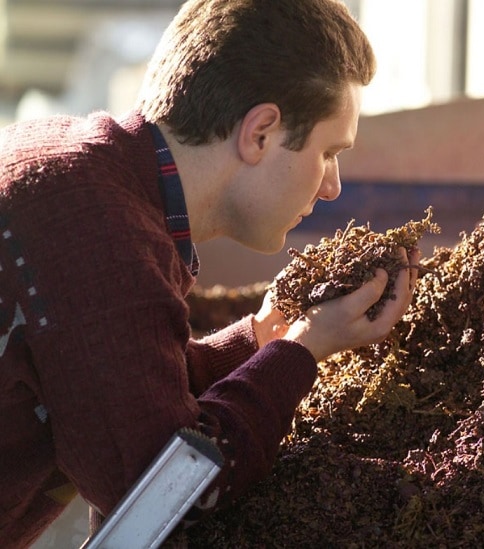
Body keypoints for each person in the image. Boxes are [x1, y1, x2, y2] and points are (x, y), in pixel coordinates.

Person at [0, 0, 420, 546]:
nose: (332, 186)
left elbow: (118, 381)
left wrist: (262, 338)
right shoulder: (99, 236)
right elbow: (166, 492)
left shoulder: (73, 169)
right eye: (328, 152)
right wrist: (303, 351)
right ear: (260, 133)